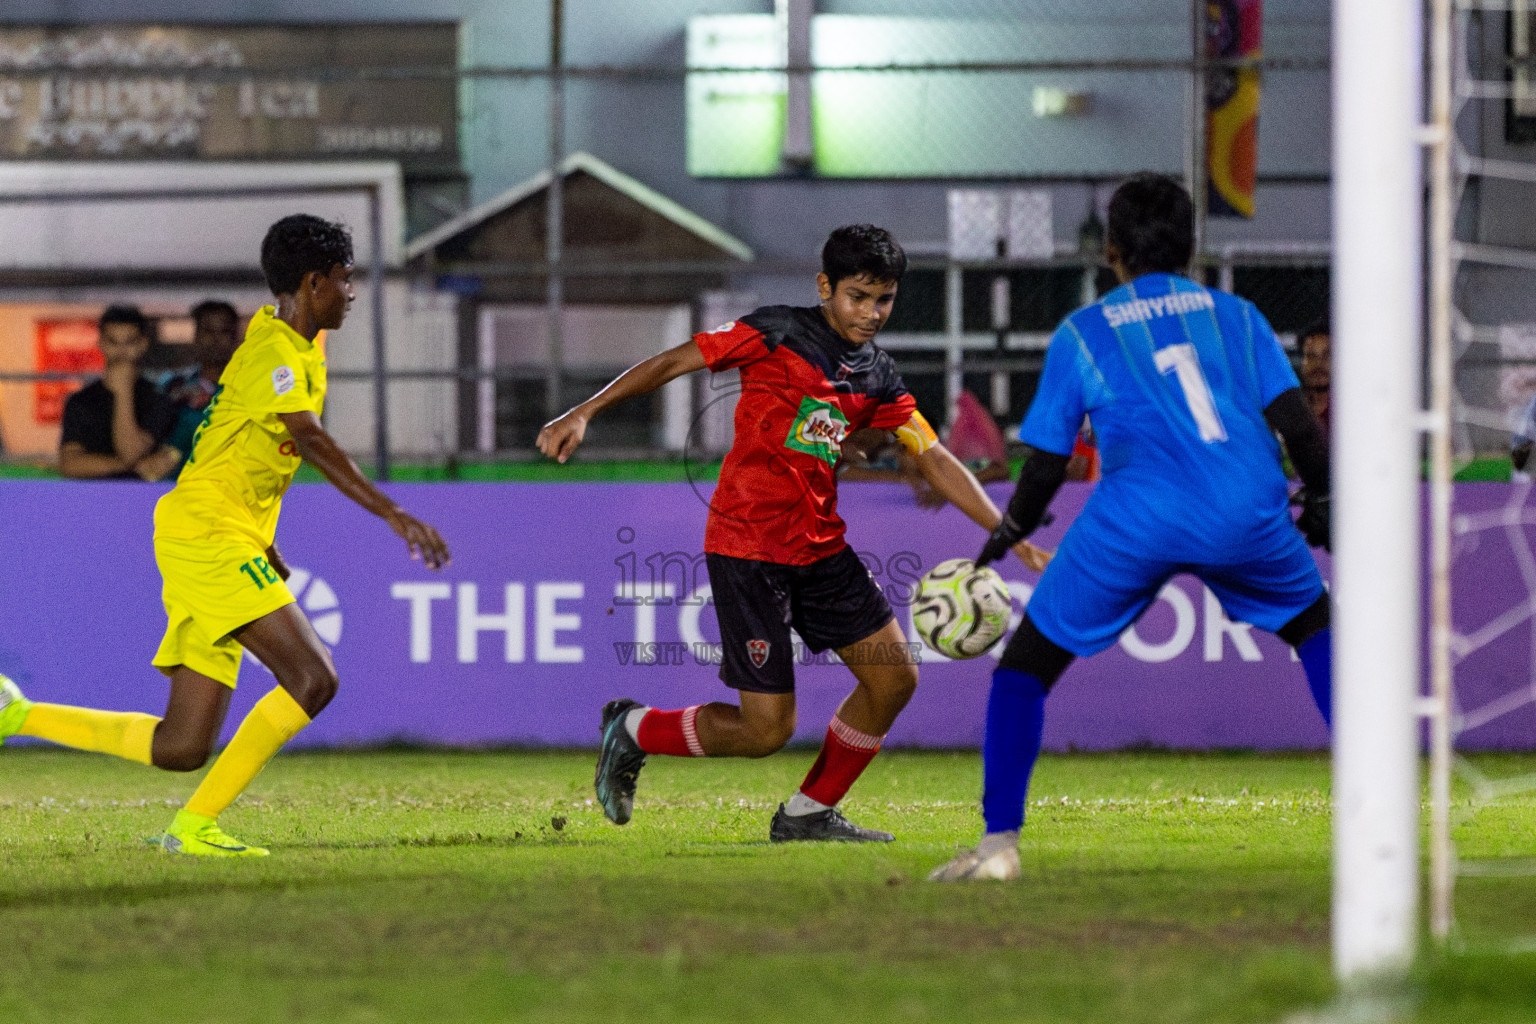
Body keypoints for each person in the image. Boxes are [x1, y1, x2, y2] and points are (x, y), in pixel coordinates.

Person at [538, 224, 1050, 842]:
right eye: (857, 296)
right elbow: (675, 360)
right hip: (748, 547)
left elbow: (935, 456)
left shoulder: (879, 376)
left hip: (821, 549)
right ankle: (634, 728)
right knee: (766, 732)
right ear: (825, 287)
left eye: (883, 300)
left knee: (894, 679)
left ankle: (809, 813)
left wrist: (1011, 533)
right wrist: (583, 411)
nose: (870, 313)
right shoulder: (774, 332)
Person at [0, 214, 451, 857]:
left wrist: (262, 539)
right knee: (314, 679)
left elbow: (242, 450)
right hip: (209, 534)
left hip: (211, 529)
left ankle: (15, 714)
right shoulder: (274, 351)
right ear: (314, 281)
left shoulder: (288, 348)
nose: (351, 293)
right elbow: (310, 439)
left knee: (181, 747)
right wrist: (392, 512)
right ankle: (194, 827)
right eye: (345, 280)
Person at [929, 174, 1333, 881]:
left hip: (1136, 518)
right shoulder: (1239, 317)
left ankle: (998, 847)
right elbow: (1298, 425)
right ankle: (1373, 814)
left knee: (1024, 670)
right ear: (1191, 246)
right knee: (1318, 628)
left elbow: (1047, 466)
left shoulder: (1084, 331)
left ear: (1110, 250)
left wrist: (1003, 537)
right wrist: (1325, 496)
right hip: (1245, 506)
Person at [58, 305, 183, 481]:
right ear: (101, 343)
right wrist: (133, 467)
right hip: (90, 500)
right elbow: (70, 465)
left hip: (141, 500)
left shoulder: (159, 400)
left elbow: (131, 451)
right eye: (113, 342)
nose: (121, 352)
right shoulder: (80, 401)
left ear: (143, 344)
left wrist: (123, 391)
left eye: (129, 342)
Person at [162, 300, 245, 472]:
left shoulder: (251, 388)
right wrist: (173, 401)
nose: (215, 339)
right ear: (196, 335)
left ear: (236, 338)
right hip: (175, 485)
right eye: (208, 331)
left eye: (224, 331)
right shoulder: (172, 385)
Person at [1298, 317, 1331, 441]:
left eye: (1327, 355)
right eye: (1310, 356)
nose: (1318, 364)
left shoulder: (1352, 410)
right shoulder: (1291, 408)